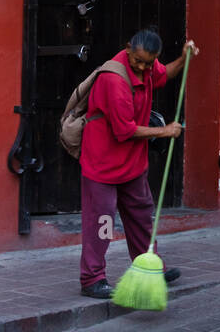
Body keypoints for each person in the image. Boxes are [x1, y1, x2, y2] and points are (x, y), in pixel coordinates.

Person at [79, 29, 199, 298]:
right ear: (128, 48)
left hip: (131, 162)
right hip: (103, 162)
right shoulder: (114, 79)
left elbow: (163, 74)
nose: (144, 67)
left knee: (141, 215)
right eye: (138, 61)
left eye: (148, 62)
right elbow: (125, 130)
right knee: (103, 221)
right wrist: (164, 131)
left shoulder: (147, 65)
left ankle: (149, 268)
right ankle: (92, 278)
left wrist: (183, 58)